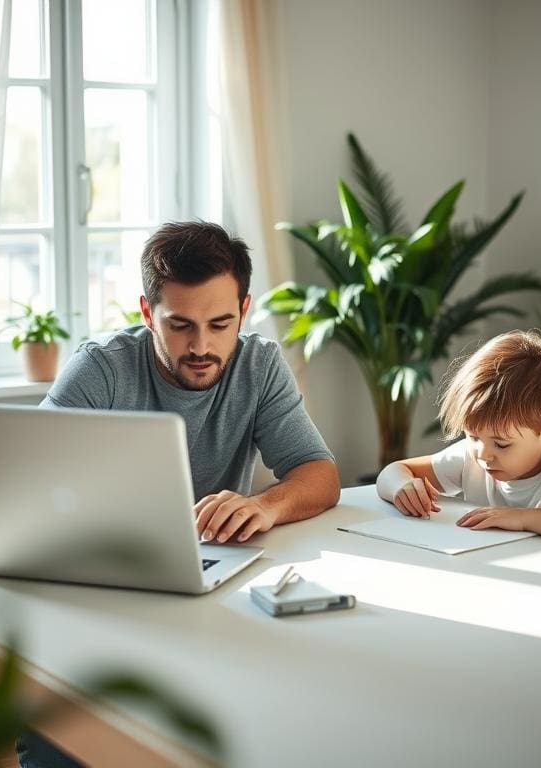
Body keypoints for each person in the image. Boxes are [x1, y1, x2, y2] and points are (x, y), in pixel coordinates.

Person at [18, 221, 340, 767]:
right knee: (64, 743)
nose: (202, 346)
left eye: (220, 324)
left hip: (209, 592)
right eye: (179, 325)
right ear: (147, 314)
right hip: (99, 588)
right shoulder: (102, 369)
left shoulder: (259, 365)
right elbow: (30, 487)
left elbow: (319, 473)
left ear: (244, 308)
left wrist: (264, 504)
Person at [376, 330, 541, 544]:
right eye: (473, 435)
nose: (483, 453)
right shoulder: (473, 458)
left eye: (501, 444)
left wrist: (523, 519)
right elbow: (394, 471)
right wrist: (402, 487)